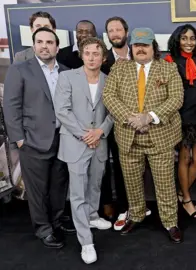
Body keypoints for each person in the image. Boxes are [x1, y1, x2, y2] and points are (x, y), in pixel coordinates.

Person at [102, 27, 184, 243]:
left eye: (145, 45)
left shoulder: (168, 69)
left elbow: (176, 98)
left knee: (165, 183)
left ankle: (170, 221)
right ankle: (136, 215)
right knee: (131, 182)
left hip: (160, 136)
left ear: (153, 47)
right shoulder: (119, 69)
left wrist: (149, 117)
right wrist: (132, 119)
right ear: (132, 47)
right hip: (128, 136)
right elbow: (108, 96)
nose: (141, 49)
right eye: (137, 45)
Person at [3, 27, 73, 248]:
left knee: (58, 186)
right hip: (33, 141)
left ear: (57, 46)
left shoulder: (66, 71)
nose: (45, 46)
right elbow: (11, 106)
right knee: (37, 190)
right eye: (40, 42)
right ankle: (43, 229)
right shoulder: (20, 69)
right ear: (34, 46)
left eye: (49, 42)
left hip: (62, 139)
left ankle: (56, 221)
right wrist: (20, 139)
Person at [54, 37, 113, 264]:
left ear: (103, 57)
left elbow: (112, 112)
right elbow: (62, 110)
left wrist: (99, 132)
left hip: (99, 142)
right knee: (77, 192)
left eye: (95, 53)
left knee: (95, 183)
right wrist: (85, 134)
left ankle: (92, 215)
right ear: (82, 55)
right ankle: (86, 241)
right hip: (75, 142)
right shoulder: (67, 77)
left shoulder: (109, 80)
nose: (91, 57)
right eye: (87, 53)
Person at [165, 24, 196, 221]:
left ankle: (179, 193)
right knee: (184, 158)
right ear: (178, 39)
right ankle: (186, 199)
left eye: (192, 38)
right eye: (184, 38)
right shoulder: (169, 60)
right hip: (180, 116)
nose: (188, 42)